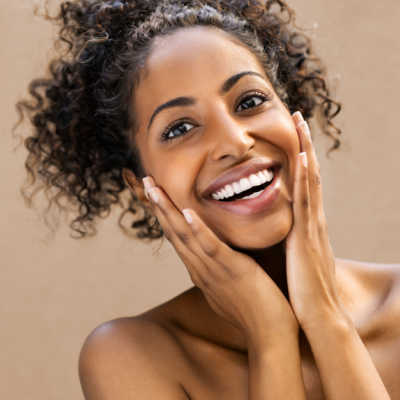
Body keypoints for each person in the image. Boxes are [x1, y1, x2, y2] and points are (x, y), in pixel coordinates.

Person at [16, 0, 400, 398]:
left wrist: (326, 317)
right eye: (179, 128)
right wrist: (269, 337)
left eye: (250, 102)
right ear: (142, 185)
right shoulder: (133, 358)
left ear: (291, 115)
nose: (234, 142)